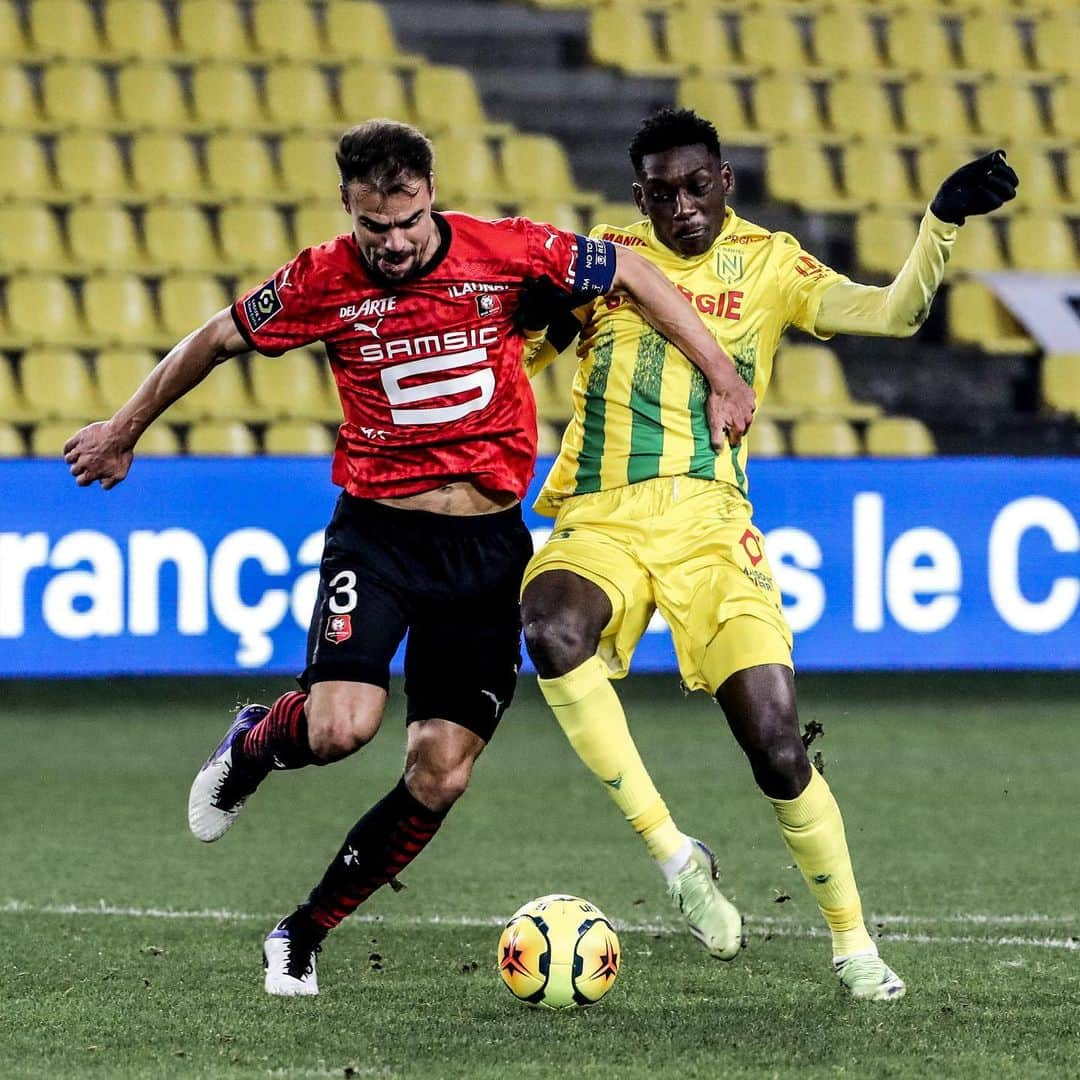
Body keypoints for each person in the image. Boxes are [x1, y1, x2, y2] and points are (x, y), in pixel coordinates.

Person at [63, 119, 755, 997]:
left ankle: (302, 931)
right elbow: (218, 338)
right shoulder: (321, 279)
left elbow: (635, 273)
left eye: (407, 222)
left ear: (430, 194)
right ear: (349, 209)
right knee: (340, 728)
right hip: (381, 537)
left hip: (488, 549)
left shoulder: (506, 251)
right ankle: (255, 741)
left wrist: (723, 376)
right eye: (372, 227)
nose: (392, 243)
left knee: (441, 769)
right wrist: (123, 431)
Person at [520, 107, 1018, 1001]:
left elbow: (897, 315)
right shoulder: (599, 260)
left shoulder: (772, 262)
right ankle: (676, 857)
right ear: (638, 198)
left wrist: (938, 223)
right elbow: (517, 360)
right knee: (552, 629)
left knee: (778, 748)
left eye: (697, 187)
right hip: (599, 515)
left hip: (713, 525)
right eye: (662, 193)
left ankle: (853, 944)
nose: (682, 208)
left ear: (726, 184)